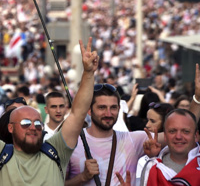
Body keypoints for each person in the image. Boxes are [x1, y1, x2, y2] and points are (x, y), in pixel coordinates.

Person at [0, 38, 98, 185]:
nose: (33, 127)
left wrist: (88, 73)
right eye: (25, 123)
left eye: (37, 123)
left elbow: (78, 113)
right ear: (10, 128)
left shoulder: (57, 151)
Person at [67, 64, 200, 186]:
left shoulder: (132, 140)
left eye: (113, 107)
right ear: (89, 110)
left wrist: (197, 99)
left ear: (119, 109)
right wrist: (82, 177)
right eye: (102, 107)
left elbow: (181, 131)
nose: (108, 113)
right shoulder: (71, 142)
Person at [119, 109, 200, 186]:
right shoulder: (152, 167)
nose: (178, 136)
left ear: (196, 136)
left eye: (185, 131)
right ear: (165, 136)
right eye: (172, 131)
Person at [134, 102, 174, 185]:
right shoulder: (143, 157)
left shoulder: (180, 156)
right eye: (147, 120)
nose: (147, 125)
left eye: (152, 121)